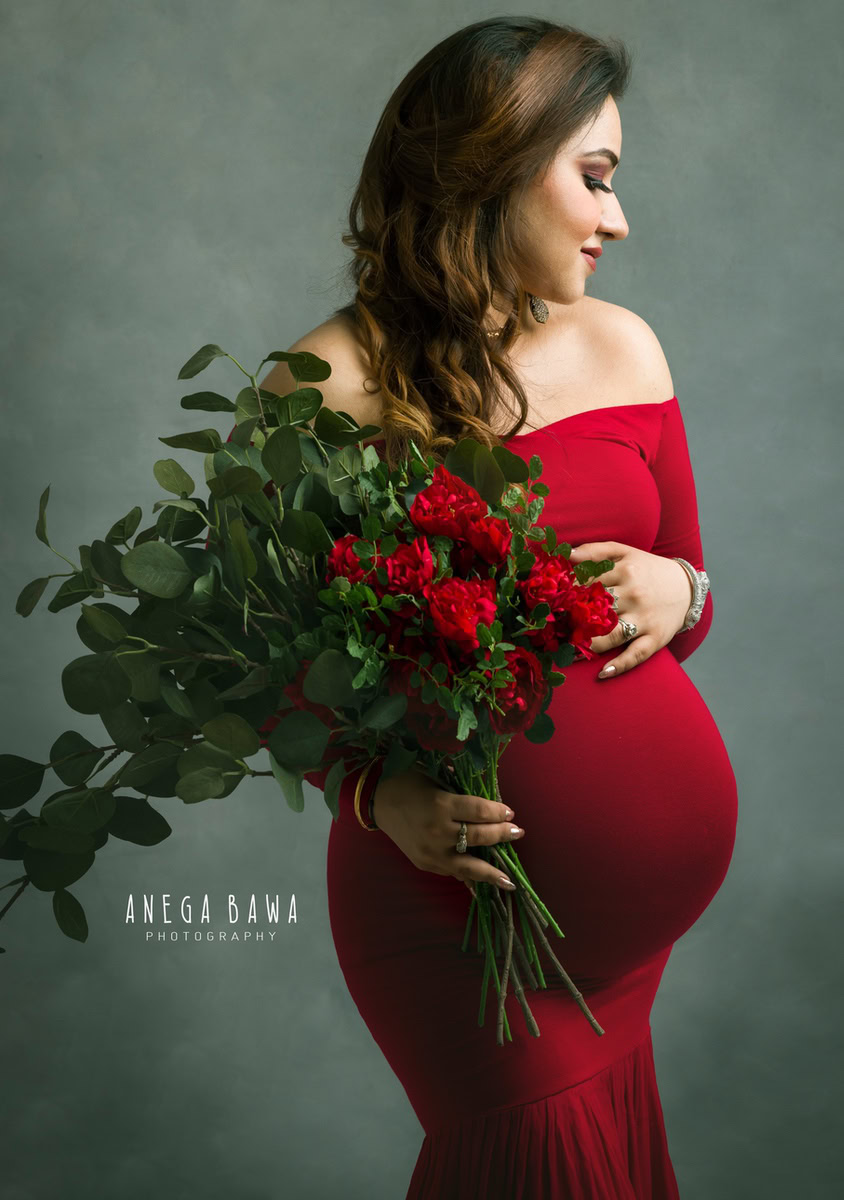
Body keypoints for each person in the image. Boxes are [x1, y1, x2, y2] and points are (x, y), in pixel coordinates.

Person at [252, 17, 738, 1198]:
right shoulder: (319, 390)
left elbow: (686, 585)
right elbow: (260, 673)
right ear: (488, 164)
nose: (615, 219)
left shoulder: (625, 349)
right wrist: (379, 795)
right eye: (594, 179)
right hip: (457, 915)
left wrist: (683, 592)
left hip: (623, 950)